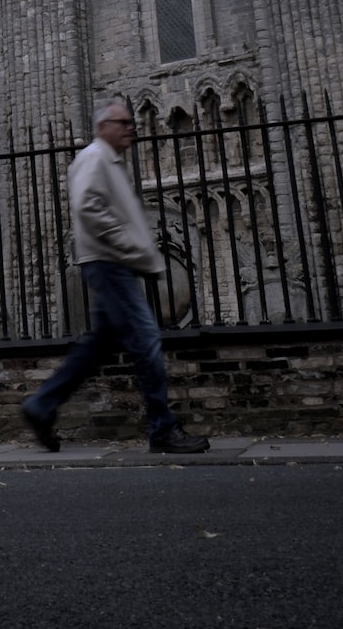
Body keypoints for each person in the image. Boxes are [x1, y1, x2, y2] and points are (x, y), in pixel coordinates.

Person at [22, 98, 209, 455]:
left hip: (112, 263)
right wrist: (128, 245)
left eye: (130, 123)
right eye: (123, 122)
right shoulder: (94, 158)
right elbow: (87, 206)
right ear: (103, 126)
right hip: (110, 263)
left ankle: (41, 405)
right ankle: (163, 429)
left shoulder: (108, 161)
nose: (130, 129)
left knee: (95, 348)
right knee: (147, 341)